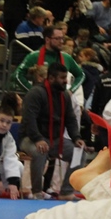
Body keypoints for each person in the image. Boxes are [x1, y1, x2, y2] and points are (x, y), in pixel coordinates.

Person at [19, 63, 86, 200]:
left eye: (66, 78)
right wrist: (38, 139)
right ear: (50, 78)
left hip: (55, 140)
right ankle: (37, 192)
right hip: (30, 138)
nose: (66, 81)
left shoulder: (65, 96)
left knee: (79, 152)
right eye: (62, 78)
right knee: (40, 150)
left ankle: (66, 192)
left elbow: (71, 119)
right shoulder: (35, 93)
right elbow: (29, 120)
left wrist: (76, 138)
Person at [10, 24, 85, 98]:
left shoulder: (66, 57)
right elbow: (17, 75)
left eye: (62, 38)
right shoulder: (34, 56)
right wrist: (32, 91)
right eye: (57, 39)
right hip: (39, 101)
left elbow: (81, 75)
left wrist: (71, 91)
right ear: (47, 40)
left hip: (60, 100)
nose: (61, 41)